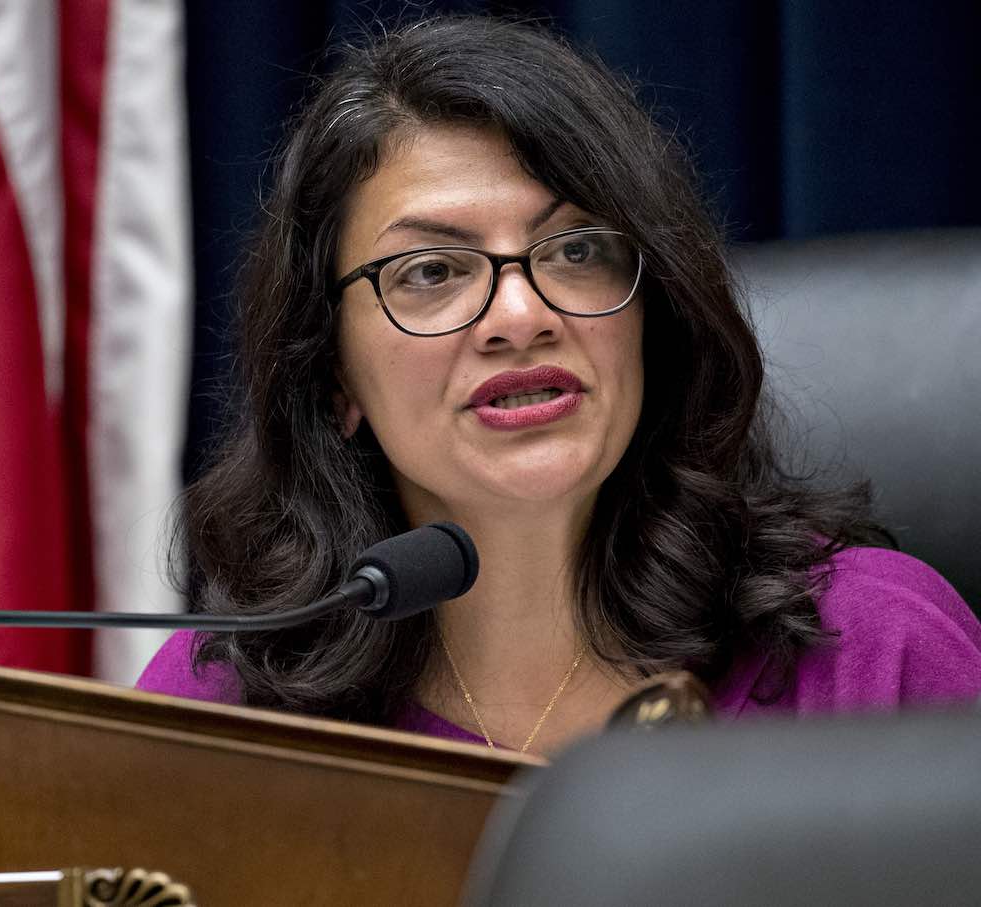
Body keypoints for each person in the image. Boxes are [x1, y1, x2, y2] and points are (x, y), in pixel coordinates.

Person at [136, 15, 981, 756]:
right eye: (431, 269)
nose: (520, 313)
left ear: (655, 315)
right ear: (330, 374)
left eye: (576, 251)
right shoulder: (232, 704)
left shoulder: (877, 654)